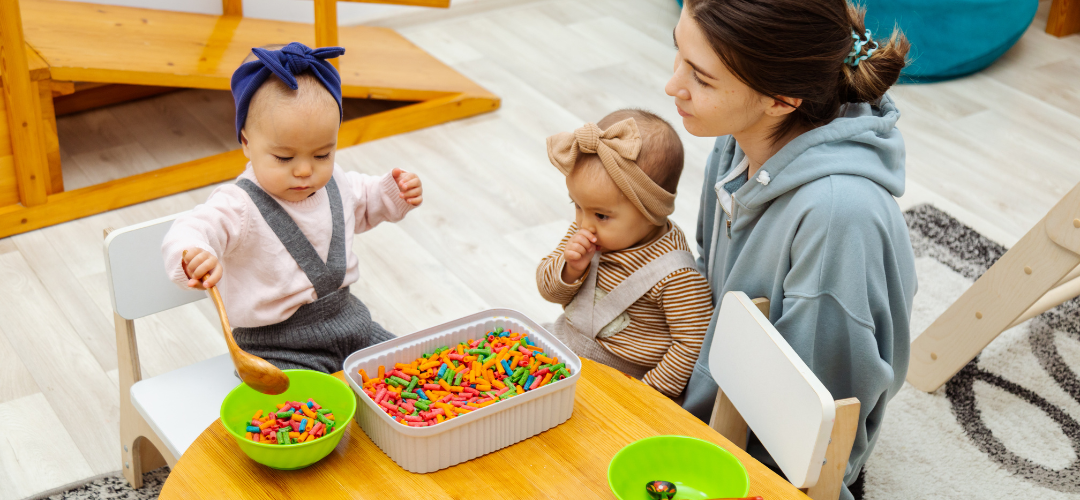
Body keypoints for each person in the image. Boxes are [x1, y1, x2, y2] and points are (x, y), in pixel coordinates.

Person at [668, 1, 916, 498]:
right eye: (678, 55)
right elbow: (706, 275)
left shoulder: (836, 219)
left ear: (781, 100)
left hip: (771, 459)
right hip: (712, 395)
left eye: (701, 78)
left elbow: (815, 434)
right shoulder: (738, 140)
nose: (673, 86)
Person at [161, 42, 423, 373]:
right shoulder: (238, 205)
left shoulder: (335, 182)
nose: (304, 171)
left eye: (322, 155)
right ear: (246, 142)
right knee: (312, 414)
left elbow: (366, 200)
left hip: (352, 325)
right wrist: (194, 253)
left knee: (411, 373)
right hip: (276, 348)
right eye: (284, 158)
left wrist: (394, 192)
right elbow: (193, 228)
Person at [537, 109, 712, 398]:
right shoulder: (587, 233)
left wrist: (646, 397)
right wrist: (570, 270)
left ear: (650, 210)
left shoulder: (677, 276)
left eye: (602, 215)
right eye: (577, 206)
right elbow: (549, 291)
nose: (584, 223)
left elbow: (692, 343)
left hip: (620, 384)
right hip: (565, 347)